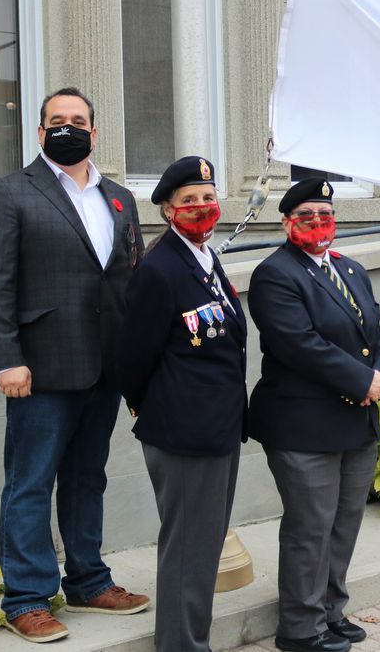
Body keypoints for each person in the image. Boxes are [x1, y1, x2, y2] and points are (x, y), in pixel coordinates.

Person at [0, 87, 149, 644]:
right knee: (30, 483)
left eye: (78, 120)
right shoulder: (9, 192)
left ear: (94, 133)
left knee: (86, 479)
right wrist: (6, 360)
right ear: (41, 131)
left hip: (104, 367)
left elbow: (129, 281)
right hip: (40, 370)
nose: (68, 127)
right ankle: (26, 598)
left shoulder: (120, 198)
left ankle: (89, 581)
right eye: (57, 121)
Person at [248, 178, 380, 652]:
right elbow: (299, 345)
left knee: (344, 522)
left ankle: (331, 611)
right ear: (286, 222)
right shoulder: (275, 274)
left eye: (324, 214)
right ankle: (300, 628)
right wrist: (361, 380)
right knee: (310, 528)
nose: (316, 222)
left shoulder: (350, 269)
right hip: (303, 424)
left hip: (356, 420)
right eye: (305, 215)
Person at [118, 156, 248, 651]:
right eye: (189, 202)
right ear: (169, 210)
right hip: (183, 432)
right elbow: (133, 358)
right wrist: (156, 409)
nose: (201, 208)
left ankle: (191, 640)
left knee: (204, 546)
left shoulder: (204, 258)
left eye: (208, 199)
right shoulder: (160, 269)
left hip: (216, 427)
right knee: (189, 550)